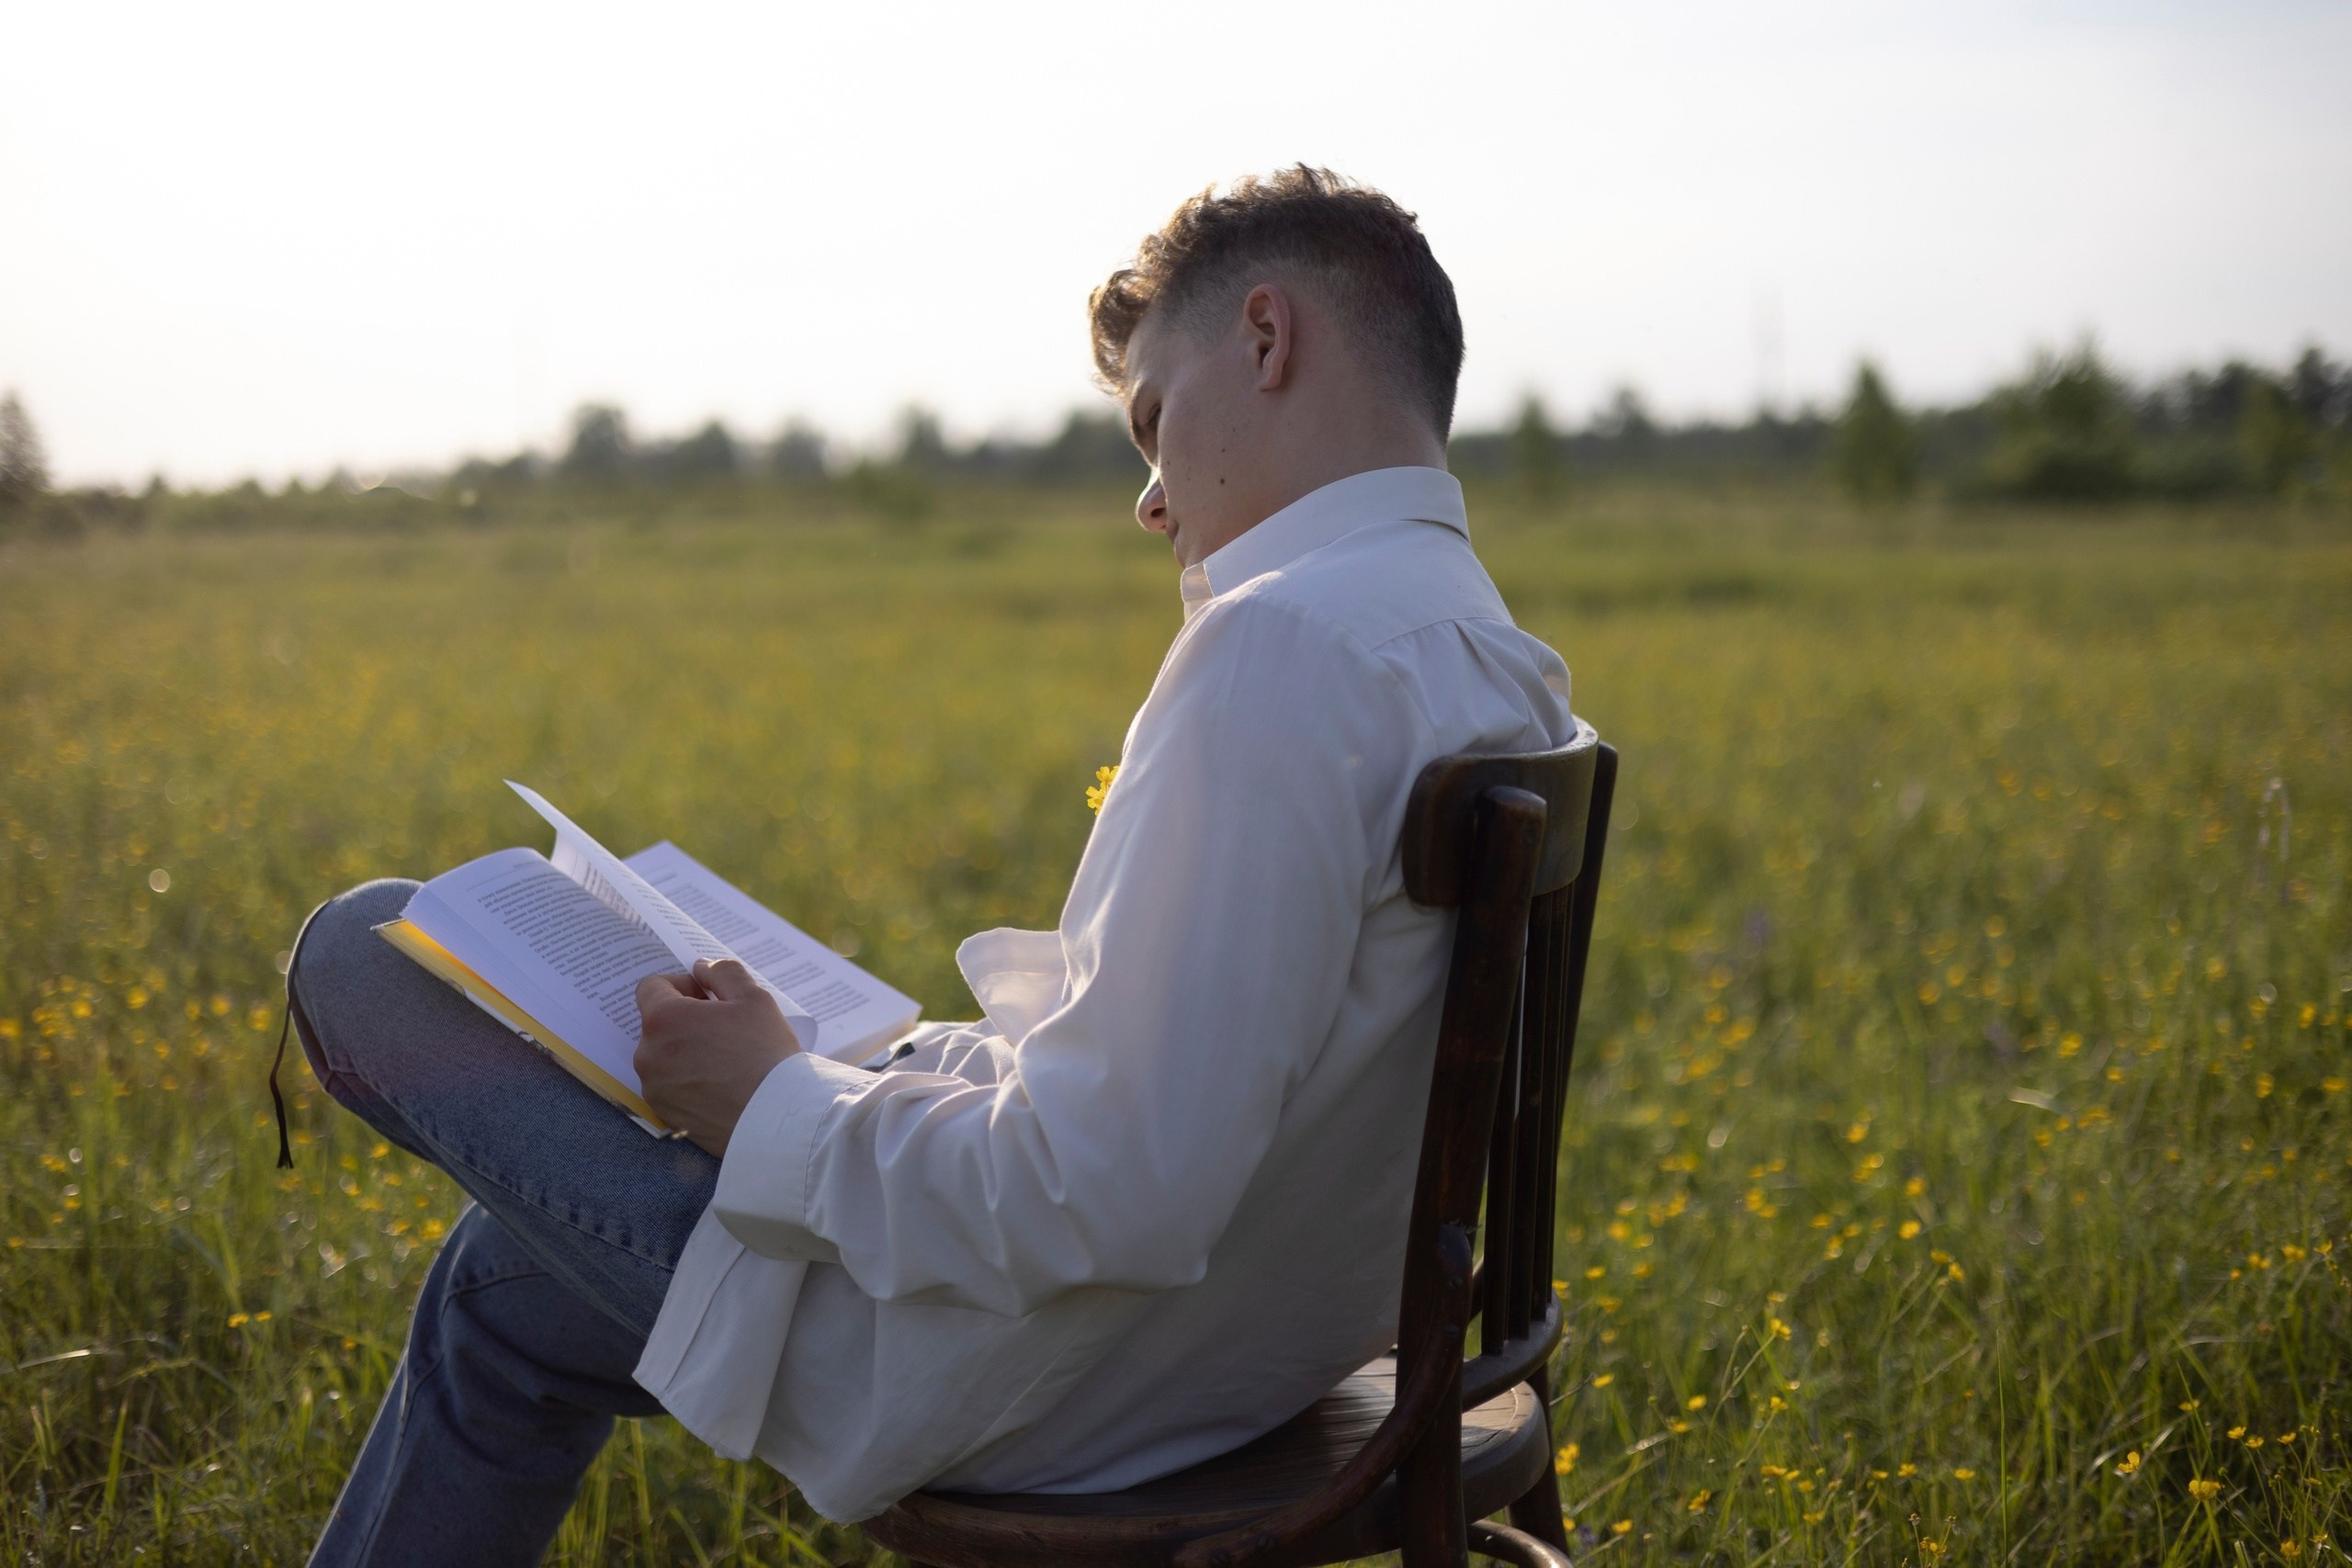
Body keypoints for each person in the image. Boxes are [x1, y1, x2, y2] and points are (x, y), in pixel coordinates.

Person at [288, 165, 1577, 1565]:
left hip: (1052, 1385)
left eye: (1152, 422)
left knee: (365, 952)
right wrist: (882, 1069)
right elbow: (1207, 1088)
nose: (1151, 500)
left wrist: (776, 1100)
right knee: (500, 1293)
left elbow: (1108, 1191)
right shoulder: (1494, 660)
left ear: (1267, 340)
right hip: (1242, 1346)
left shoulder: (1279, 651)